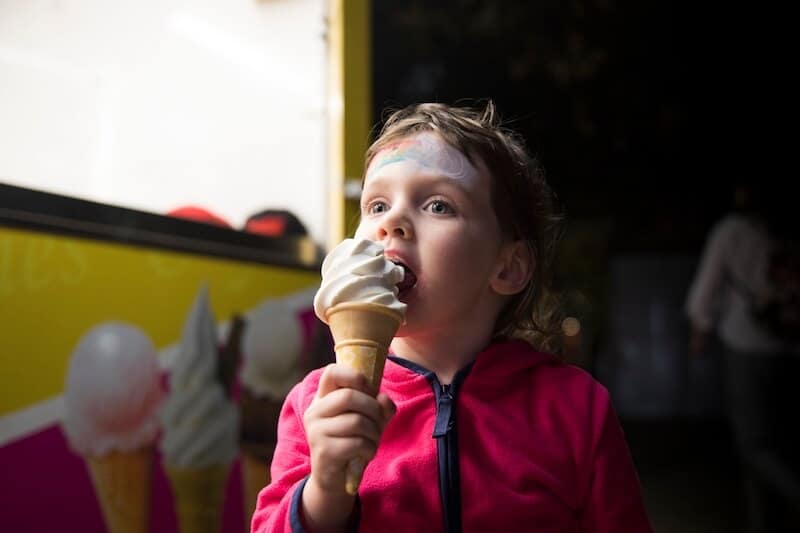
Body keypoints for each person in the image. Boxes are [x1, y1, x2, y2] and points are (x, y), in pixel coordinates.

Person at [251, 102, 652, 532]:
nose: (393, 223)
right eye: (377, 205)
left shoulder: (576, 408)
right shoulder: (319, 403)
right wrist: (325, 491)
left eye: (438, 205)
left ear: (508, 267)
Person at [686, 182, 800, 533]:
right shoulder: (787, 232)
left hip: (744, 347)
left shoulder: (732, 231)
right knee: (778, 441)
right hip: (789, 348)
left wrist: (700, 327)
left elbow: (705, 291)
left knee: (755, 444)